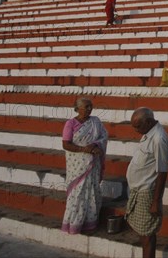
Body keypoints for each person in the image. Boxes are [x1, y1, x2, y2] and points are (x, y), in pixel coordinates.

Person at [125, 107, 168, 258]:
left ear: (149, 122)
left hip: (147, 193)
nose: (136, 130)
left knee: (147, 236)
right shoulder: (148, 132)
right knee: (143, 234)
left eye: (138, 126)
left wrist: (156, 201)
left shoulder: (159, 138)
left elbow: (162, 171)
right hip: (138, 190)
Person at [61, 97, 108, 234]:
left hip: (93, 163)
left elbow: (104, 137)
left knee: (92, 191)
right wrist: (84, 150)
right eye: (86, 106)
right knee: (78, 192)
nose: (89, 109)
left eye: (91, 106)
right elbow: (66, 144)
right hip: (77, 165)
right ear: (78, 108)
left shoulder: (96, 122)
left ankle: (90, 223)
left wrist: (94, 145)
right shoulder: (70, 124)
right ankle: (74, 223)